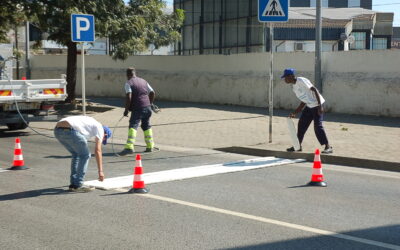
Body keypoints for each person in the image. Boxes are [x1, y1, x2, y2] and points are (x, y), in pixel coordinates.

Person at [54, 115, 112, 192]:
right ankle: (78, 184)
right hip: (71, 130)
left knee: (76, 154)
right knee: (85, 155)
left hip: (57, 130)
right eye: (104, 139)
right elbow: (98, 150)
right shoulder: (100, 128)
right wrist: (100, 171)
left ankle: (73, 184)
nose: (101, 139)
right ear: (105, 135)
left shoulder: (91, 124)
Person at [281, 68, 333, 154]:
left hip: (317, 105)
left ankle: (328, 147)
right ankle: (298, 146)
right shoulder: (294, 87)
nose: (284, 80)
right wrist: (295, 112)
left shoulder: (301, 80)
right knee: (301, 125)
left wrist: (320, 106)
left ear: (291, 76)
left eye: (285, 77)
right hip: (309, 106)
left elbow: (315, 90)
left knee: (317, 127)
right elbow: (303, 101)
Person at [119, 67, 155, 156]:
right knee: (146, 125)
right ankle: (150, 146)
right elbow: (152, 92)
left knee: (133, 126)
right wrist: (150, 103)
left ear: (128, 75)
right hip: (147, 108)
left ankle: (129, 147)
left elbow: (129, 96)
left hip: (138, 108)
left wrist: (126, 110)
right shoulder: (143, 81)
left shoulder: (128, 83)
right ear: (135, 73)